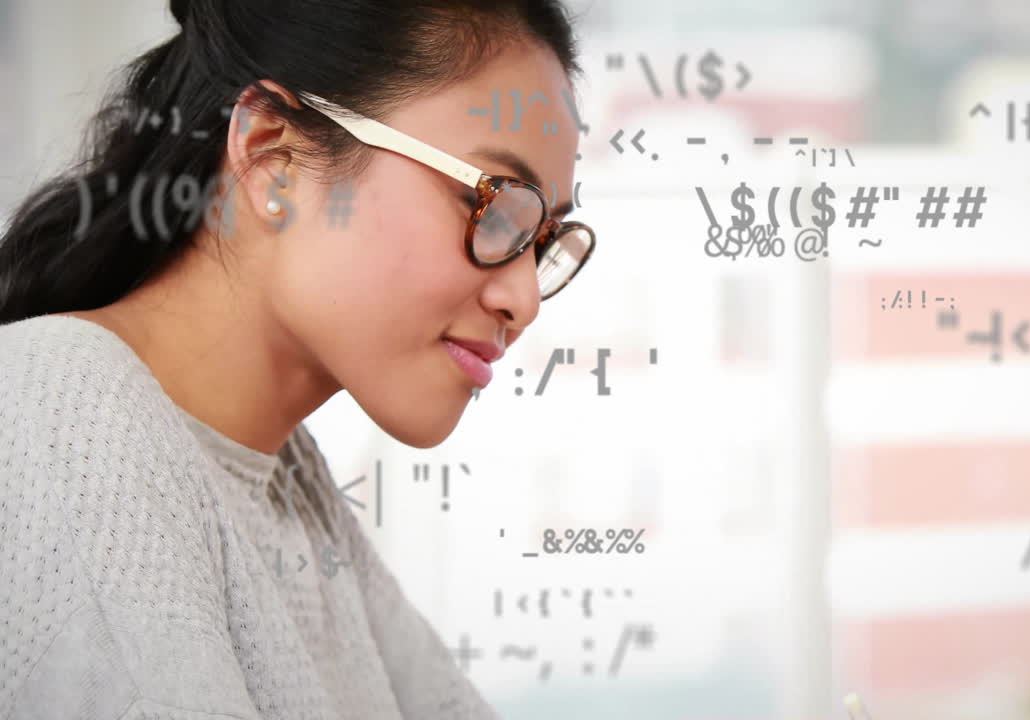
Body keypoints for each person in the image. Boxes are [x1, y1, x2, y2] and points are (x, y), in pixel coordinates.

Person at [0, 0, 593, 717]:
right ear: (272, 155)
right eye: (496, 207)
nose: (525, 299)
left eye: (542, 241)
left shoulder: (289, 486)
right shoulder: (60, 417)